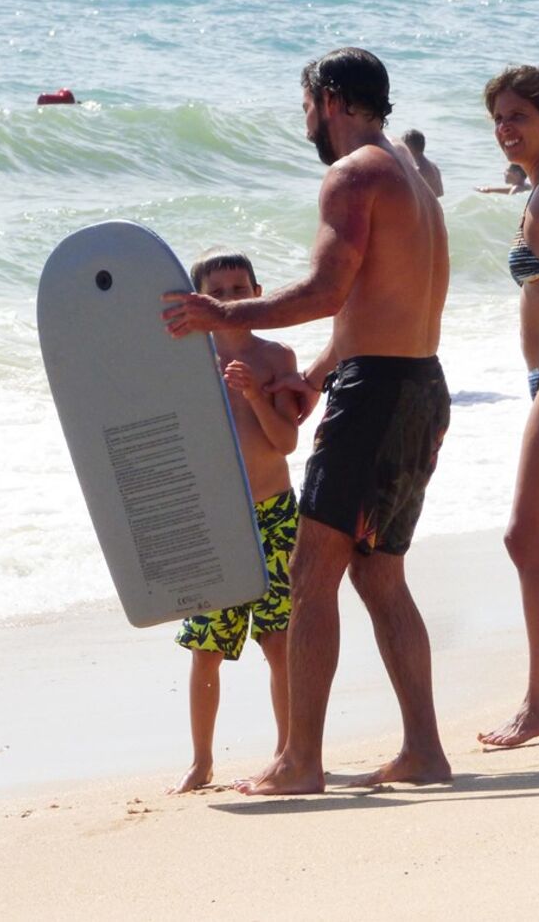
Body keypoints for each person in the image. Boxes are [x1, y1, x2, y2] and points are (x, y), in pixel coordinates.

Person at [163, 47, 451, 793]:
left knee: (309, 573)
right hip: (419, 384)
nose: (305, 127)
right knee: (379, 573)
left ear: (328, 100)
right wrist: (315, 378)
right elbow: (380, 304)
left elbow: (327, 290)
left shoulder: (353, 173)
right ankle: (424, 750)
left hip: (377, 394)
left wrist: (224, 313)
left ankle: (300, 761)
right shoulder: (414, 175)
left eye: (305, 110)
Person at [166, 249, 300, 793]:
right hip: (216, 519)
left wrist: (253, 395)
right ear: (198, 301)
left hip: (275, 514)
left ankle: (289, 751)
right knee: (206, 647)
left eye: (240, 289)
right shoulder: (184, 361)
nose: (230, 299)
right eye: (217, 293)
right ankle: (201, 762)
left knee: (279, 640)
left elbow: (286, 442)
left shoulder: (275, 356)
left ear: (258, 292)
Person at [477, 66, 539, 748]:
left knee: (525, 537)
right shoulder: (536, 189)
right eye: (498, 117)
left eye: (518, 115)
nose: (505, 128)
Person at [402, 128, 444, 197]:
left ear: (409, 146)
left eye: (403, 145)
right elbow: (440, 193)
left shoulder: (417, 169)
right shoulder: (434, 167)